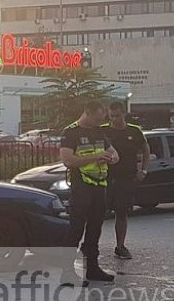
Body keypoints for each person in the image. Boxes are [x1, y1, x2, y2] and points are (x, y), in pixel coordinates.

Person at [60, 100, 119, 282]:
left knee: (95, 229)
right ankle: (66, 274)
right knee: (76, 229)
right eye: (97, 118)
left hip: (99, 186)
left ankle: (92, 269)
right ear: (87, 112)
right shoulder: (70, 132)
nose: (99, 122)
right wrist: (96, 157)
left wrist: (111, 158)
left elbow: (115, 154)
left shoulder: (99, 131)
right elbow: (68, 160)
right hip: (81, 186)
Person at [103, 101, 150, 260]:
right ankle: (90, 245)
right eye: (111, 116)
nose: (114, 119)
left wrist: (143, 169)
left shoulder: (134, 131)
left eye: (117, 115)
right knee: (98, 212)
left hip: (126, 179)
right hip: (105, 178)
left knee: (121, 213)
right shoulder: (103, 131)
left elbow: (145, 149)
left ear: (124, 114)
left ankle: (120, 246)